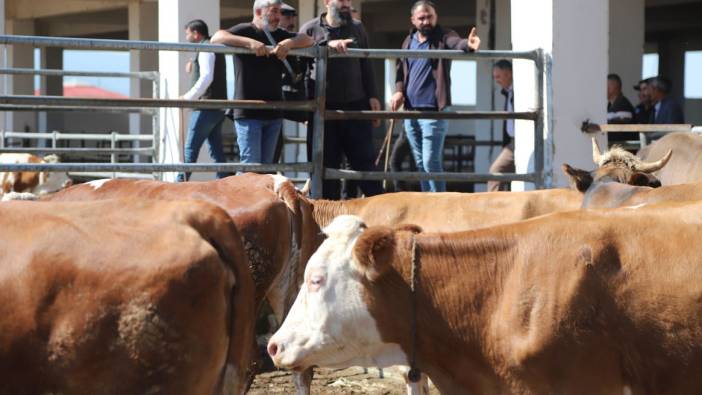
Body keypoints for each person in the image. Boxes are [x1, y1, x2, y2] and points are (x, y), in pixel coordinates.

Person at [389, 0, 480, 192]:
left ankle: (440, 202)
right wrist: (398, 91)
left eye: (429, 16)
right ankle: (428, 200)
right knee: (421, 162)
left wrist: (468, 45)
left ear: (436, 17)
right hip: (411, 113)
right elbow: (400, 70)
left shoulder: (444, 36)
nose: (426, 21)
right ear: (413, 20)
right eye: (421, 18)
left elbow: (457, 43)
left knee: (431, 161)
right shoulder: (408, 42)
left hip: (434, 112)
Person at [211, 0, 313, 164]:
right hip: (248, 111)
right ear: (259, 12)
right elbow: (216, 37)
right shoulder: (245, 30)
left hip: (274, 111)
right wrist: (249, 43)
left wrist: (289, 43)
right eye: (274, 12)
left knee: (267, 169)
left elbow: (309, 40)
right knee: (250, 167)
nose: (278, 17)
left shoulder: (280, 34)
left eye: (279, 12)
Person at [300, 0, 384, 200]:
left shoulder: (357, 27)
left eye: (349, 0)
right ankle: (326, 225)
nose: (347, 3)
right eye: (342, 0)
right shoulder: (310, 29)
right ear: (327, 2)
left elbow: (366, 62)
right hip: (323, 110)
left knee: (365, 166)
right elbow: (301, 71)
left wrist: (373, 95)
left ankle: (381, 220)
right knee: (325, 169)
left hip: (356, 106)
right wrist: (306, 108)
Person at [177, 19, 229, 182]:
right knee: (216, 150)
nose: (187, 36)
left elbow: (207, 77)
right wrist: (193, 63)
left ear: (195, 33)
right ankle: (225, 183)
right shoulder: (208, 48)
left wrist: (187, 97)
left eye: (188, 33)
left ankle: (179, 184)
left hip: (206, 106)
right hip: (216, 107)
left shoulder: (206, 48)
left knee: (190, 149)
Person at [487, 59, 514, 192]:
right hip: (512, 143)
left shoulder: (515, 92)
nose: (496, 80)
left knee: (495, 171)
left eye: (498, 76)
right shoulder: (509, 92)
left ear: (508, 73)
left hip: (517, 143)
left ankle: (491, 209)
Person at [606, 73, 636, 143]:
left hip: (623, 150)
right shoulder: (611, 105)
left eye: (607, 85)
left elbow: (618, 126)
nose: (604, 88)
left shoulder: (623, 104)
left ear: (614, 86)